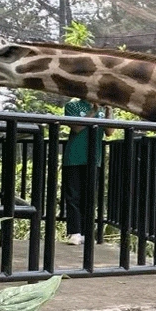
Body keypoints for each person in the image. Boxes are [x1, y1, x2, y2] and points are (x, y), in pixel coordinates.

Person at [61, 98, 111, 245]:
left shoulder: (103, 110)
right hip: (74, 157)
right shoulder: (72, 106)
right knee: (73, 196)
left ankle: (87, 233)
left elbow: (109, 132)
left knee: (90, 196)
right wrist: (93, 112)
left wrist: (109, 111)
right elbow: (76, 127)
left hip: (94, 158)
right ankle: (75, 232)